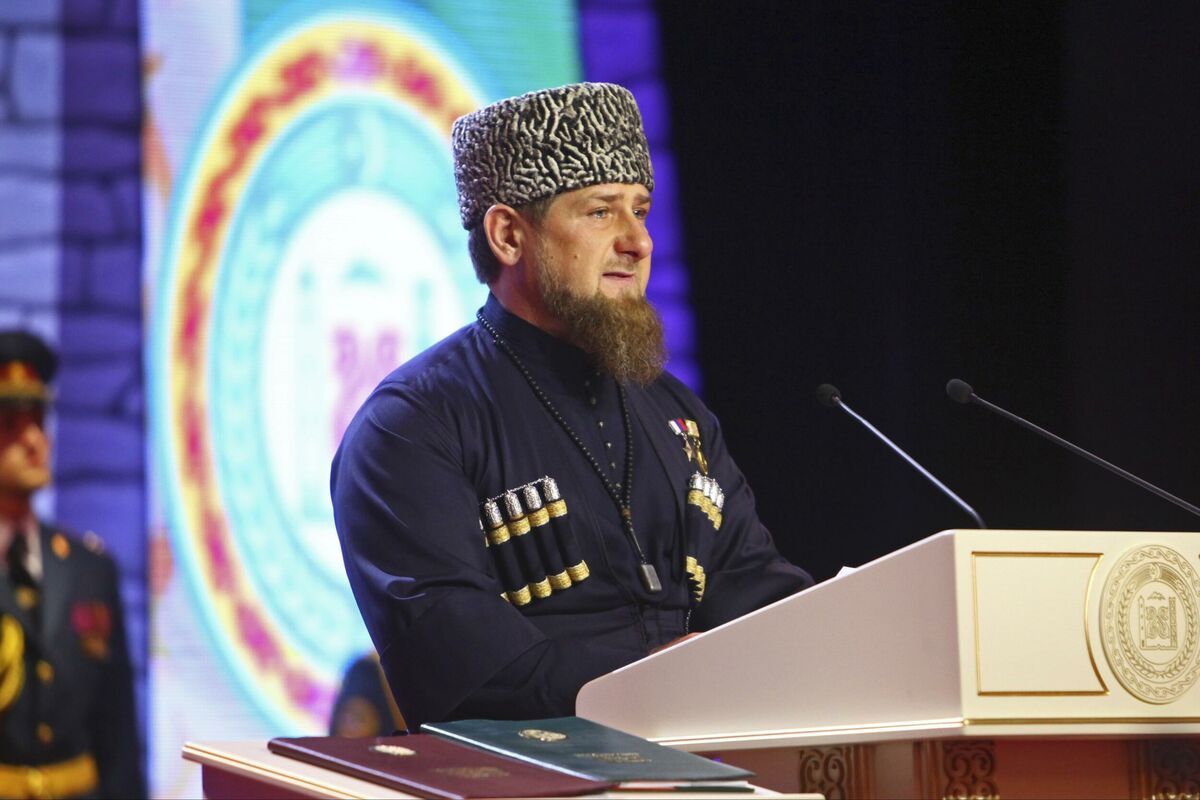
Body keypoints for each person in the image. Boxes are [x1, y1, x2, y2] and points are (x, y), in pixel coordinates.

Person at [331, 82, 813, 730]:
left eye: (641, 210)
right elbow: (468, 674)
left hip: (711, 762)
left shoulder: (681, 419)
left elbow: (761, 599)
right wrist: (661, 681)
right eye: (601, 212)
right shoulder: (412, 429)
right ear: (508, 235)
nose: (638, 242)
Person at [0, 331, 144, 798]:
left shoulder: (89, 568)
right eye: (10, 425)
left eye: (39, 422)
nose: (33, 441)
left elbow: (118, 733)